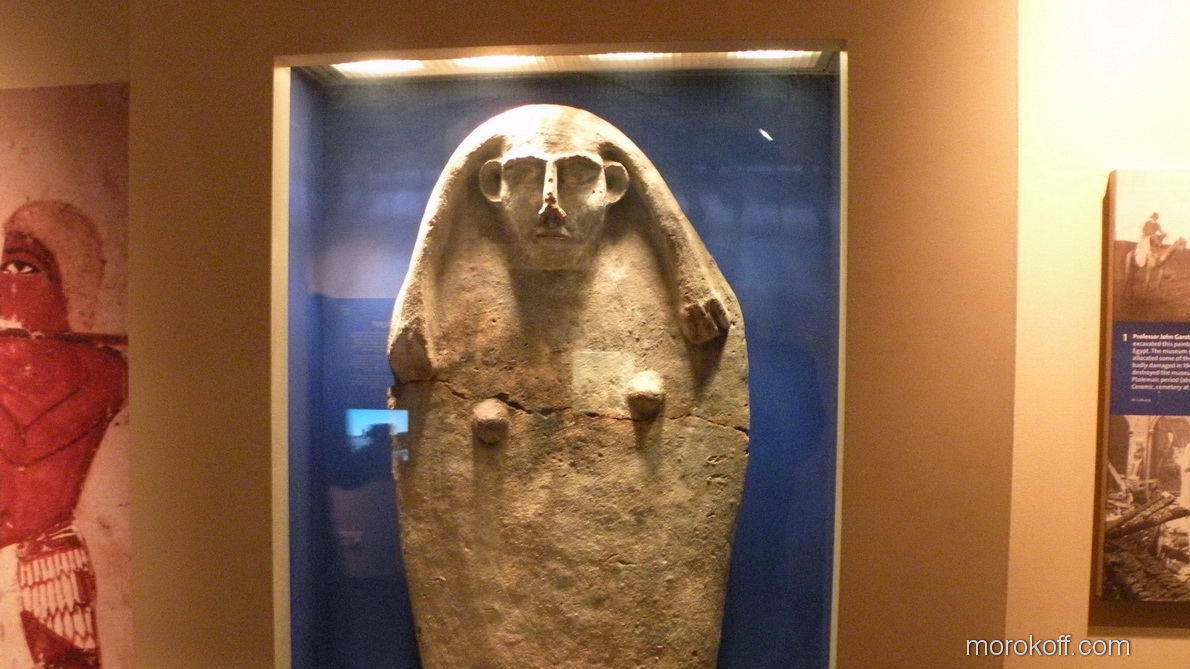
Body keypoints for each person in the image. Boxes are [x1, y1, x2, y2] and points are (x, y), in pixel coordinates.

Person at [0, 202, 126, 668]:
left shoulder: (101, 372)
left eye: (20, 268)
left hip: (49, 565)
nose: (5, 284)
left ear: (70, 284)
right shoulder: (107, 370)